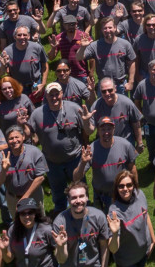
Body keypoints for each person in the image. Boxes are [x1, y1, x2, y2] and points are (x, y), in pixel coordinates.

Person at [26, 81, 91, 215]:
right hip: (52, 161)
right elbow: (29, 135)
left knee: (79, 186)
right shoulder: (38, 114)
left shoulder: (74, 108)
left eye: (57, 94)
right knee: (57, 190)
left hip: (75, 157)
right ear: (46, 96)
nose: (54, 97)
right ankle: (61, 213)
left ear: (62, 94)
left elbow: (88, 131)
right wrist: (22, 125)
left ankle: (85, 210)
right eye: (51, 95)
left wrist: (86, 122)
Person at [50, 182, 110, 267]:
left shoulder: (98, 217)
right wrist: (61, 246)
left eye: (81, 196)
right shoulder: (60, 223)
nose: (78, 201)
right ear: (68, 200)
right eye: (74, 198)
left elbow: (104, 246)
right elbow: (61, 260)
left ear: (87, 197)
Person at [107, 169, 155, 267]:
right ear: (116, 188)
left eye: (129, 185)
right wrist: (115, 233)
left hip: (144, 253)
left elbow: (146, 215)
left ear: (133, 185)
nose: (125, 189)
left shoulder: (140, 195)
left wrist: (153, 239)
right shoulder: (115, 212)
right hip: (127, 262)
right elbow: (113, 249)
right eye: (121, 186)